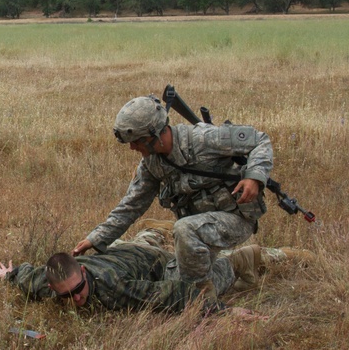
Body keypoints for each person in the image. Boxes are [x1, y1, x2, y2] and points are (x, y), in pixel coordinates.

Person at [72, 94, 273, 309]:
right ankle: (239, 263)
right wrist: (96, 238)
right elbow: (131, 205)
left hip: (236, 219)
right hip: (198, 232)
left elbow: (260, 140)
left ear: (156, 134)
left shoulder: (203, 139)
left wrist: (254, 177)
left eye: (137, 141)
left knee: (185, 235)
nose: (133, 148)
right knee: (173, 286)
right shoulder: (152, 164)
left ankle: (204, 305)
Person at [0, 223, 284, 313]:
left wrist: (225, 311)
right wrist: (10, 275)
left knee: (193, 280)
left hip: (150, 261)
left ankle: (243, 259)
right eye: (67, 296)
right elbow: (28, 277)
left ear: (81, 271)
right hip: (122, 251)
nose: (76, 298)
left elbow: (175, 295)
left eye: (79, 290)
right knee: (132, 245)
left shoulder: (114, 288)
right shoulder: (48, 283)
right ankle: (152, 231)